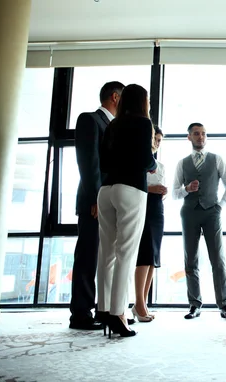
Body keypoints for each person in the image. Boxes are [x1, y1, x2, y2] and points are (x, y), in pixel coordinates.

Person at [95, 84, 157, 338]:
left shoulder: (112, 125)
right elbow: (145, 161)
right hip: (131, 189)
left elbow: (104, 160)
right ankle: (118, 314)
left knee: (106, 253)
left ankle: (103, 309)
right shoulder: (143, 124)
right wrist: (152, 158)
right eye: (148, 99)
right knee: (126, 255)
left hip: (106, 190)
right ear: (142, 101)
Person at [69, 81, 124, 330]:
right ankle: (80, 314)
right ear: (115, 97)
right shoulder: (90, 120)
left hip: (109, 202)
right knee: (88, 255)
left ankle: (101, 310)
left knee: (104, 258)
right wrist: (94, 198)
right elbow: (88, 162)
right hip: (94, 201)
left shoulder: (114, 126)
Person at [172, 123, 226, 319]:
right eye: (196, 134)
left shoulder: (217, 160)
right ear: (189, 137)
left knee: (217, 258)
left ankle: (224, 304)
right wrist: (186, 190)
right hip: (189, 213)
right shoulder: (182, 163)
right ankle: (194, 304)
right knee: (190, 259)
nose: (200, 137)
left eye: (203, 134)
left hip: (212, 212)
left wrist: (220, 206)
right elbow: (174, 193)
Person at [132, 126, 167, 322]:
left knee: (153, 257)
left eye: (160, 140)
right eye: (155, 139)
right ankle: (138, 303)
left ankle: (142, 303)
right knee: (144, 255)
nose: (157, 143)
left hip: (157, 210)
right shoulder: (138, 162)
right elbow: (133, 185)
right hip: (141, 207)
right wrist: (152, 188)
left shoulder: (160, 166)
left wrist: (161, 191)